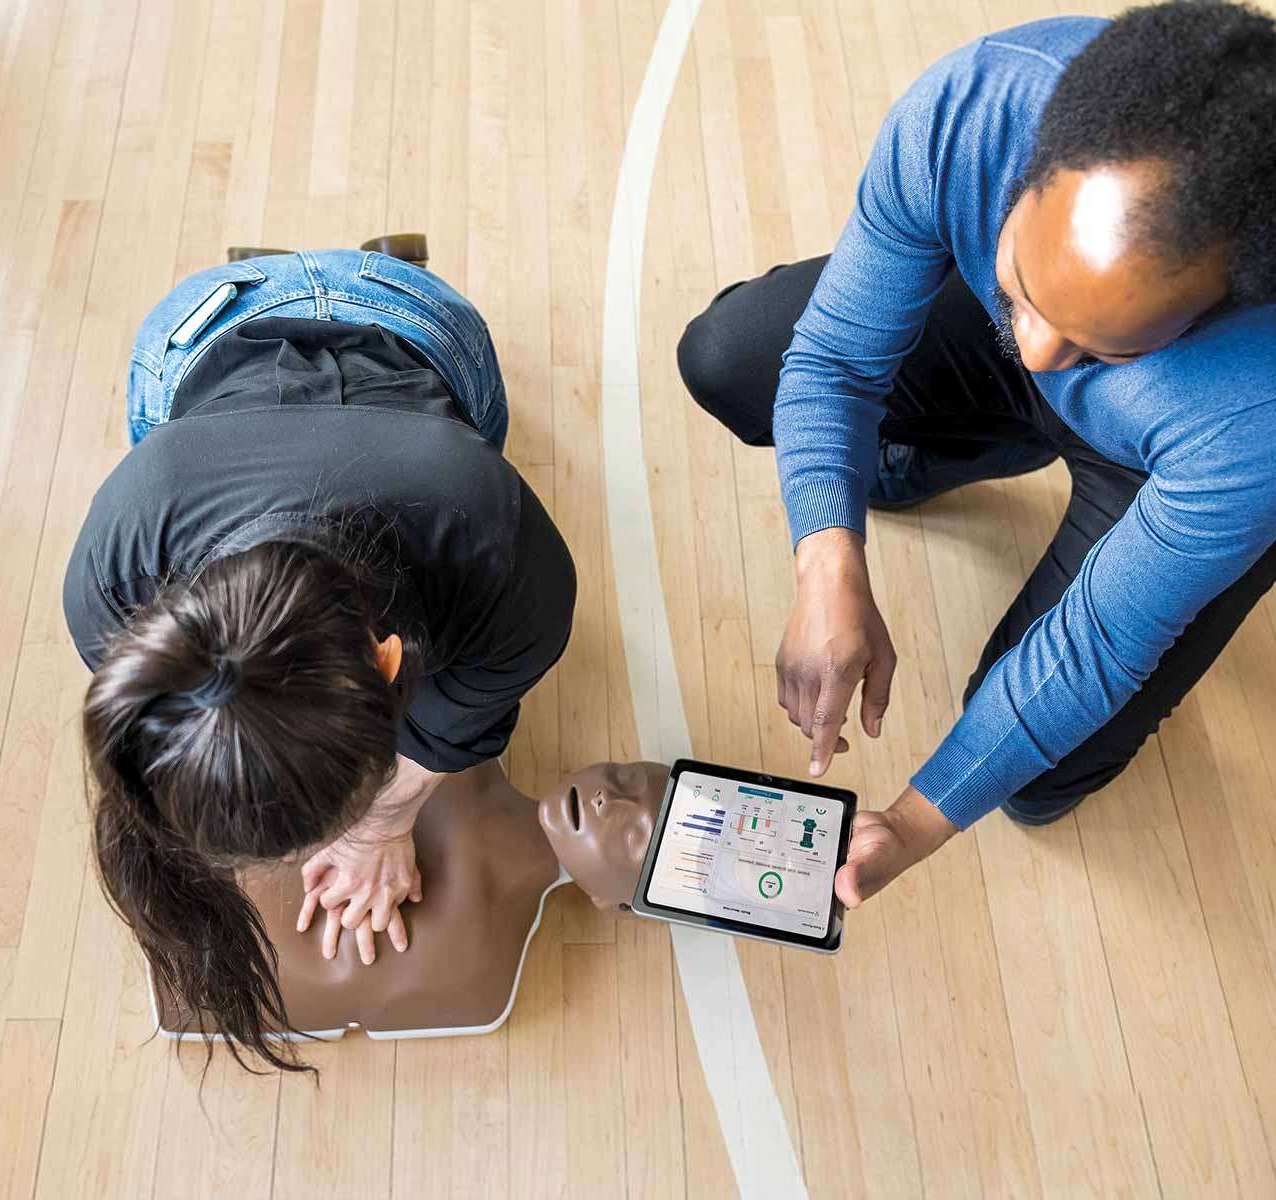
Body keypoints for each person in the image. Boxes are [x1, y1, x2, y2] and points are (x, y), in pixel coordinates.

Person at [675, 3, 1276, 907]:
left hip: (1175, 466)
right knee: (732, 359)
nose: (1035, 351)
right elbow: (835, 358)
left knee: (1032, 782)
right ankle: (1010, 421)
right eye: (1026, 288)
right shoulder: (977, 103)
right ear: (1030, 174)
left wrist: (916, 821)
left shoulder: (1258, 413)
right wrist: (826, 562)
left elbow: (1099, 645)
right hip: (1115, 396)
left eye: (1103, 346)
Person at [70, 245, 576, 1073]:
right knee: (161, 422)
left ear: (385, 659)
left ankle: (337, 265)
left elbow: (461, 715)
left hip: (409, 323)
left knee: (473, 416)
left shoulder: (501, 551)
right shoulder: (116, 572)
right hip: (203, 338)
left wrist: (383, 826)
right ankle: (274, 264)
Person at [152, 759, 662, 1058]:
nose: (608, 800)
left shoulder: (482, 980)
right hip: (175, 818)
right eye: (627, 777)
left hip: (193, 955)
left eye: (633, 833)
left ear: (618, 906)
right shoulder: (457, 756)